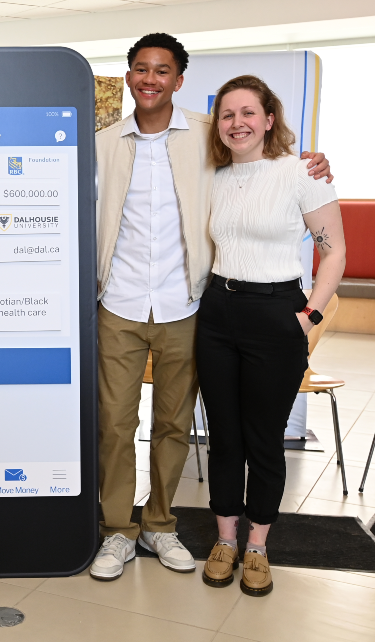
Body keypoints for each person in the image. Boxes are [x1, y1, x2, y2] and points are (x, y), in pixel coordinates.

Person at [89, 33, 333, 581]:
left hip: (188, 305)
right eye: (141, 69)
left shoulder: (211, 134)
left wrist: (311, 164)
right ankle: (116, 533)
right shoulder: (102, 143)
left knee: (175, 424)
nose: (150, 79)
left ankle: (159, 523)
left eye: (163, 71)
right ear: (129, 76)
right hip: (120, 304)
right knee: (114, 425)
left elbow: (265, 163)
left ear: (179, 81)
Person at [198, 76, 344, 596]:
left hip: (277, 313)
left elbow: (336, 253)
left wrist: (308, 317)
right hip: (216, 312)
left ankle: (257, 544)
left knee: (263, 439)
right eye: (227, 114)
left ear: (269, 119)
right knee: (224, 438)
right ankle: (224, 539)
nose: (237, 122)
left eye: (247, 113)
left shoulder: (302, 172)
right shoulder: (212, 173)